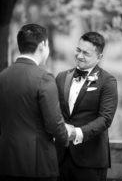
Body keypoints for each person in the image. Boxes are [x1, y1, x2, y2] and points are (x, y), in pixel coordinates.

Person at [0, 24, 69, 181]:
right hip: (37, 163)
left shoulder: (2, 77)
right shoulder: (44, 78)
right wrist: (65, 136)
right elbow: (54, 123)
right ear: (43, 44)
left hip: (5, 160)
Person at [55, 32, 118, 181]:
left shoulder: (108, 81)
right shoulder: (61, 77)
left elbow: (105, 119)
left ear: (99, 57)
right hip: (60, 158)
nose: (79, 55)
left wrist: (77, 133)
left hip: (91, 160)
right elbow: (54, 110)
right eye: (78, 50)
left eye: (86, 53)